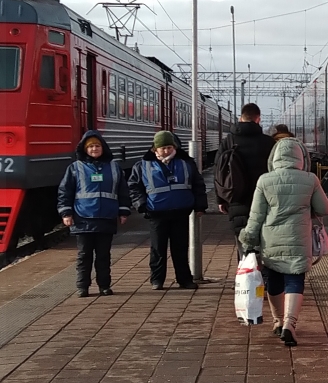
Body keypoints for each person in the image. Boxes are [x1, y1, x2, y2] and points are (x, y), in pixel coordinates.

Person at [239, 137, 328, 346]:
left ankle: (278, 322)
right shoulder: (310, 179)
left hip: (271, 241)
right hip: (299, 240)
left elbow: (256, 216)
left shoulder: (265, 180)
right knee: (294, 280)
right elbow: (325, 209)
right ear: (301, 158)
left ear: (274, 158)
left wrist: (248, 238)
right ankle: (290, 324)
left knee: (274, 281)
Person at [56, 131, 132, 297]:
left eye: (97, 146)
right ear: (85, 149)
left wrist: (124, 211)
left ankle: (104, 286)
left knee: (103, 256)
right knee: (84, 256)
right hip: (83, 218)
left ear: (103, 148)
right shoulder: (75, 168)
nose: (94, 149)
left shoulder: (114, 167)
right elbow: (65, 192)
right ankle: (82, 287)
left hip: (106, 217)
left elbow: (123, 191)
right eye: (90, 146)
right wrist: (66, 213)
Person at [129, 131, 207, 290]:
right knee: (158, 249)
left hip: (181, 211)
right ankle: (157, 280)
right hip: (156, 213)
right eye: (163, 148)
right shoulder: (142, 165)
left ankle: (184, 279)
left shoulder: (186, 163)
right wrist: (142, 205)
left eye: (169, 147)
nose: (166, 151)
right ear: (155, 149)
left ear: (175, 147)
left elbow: (198, 184)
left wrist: (200, 206)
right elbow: (134, 187)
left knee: (180, 248)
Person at [215, 103, 274, 248]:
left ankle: (246, 268)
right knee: (264, 240)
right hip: (266, 199)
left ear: (241, 118)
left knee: (243, 242)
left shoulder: (228, 141)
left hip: (237, 198)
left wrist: (220, 199)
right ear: (258, 119)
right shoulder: (269, 142)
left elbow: (219, 171)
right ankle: (262, 268)